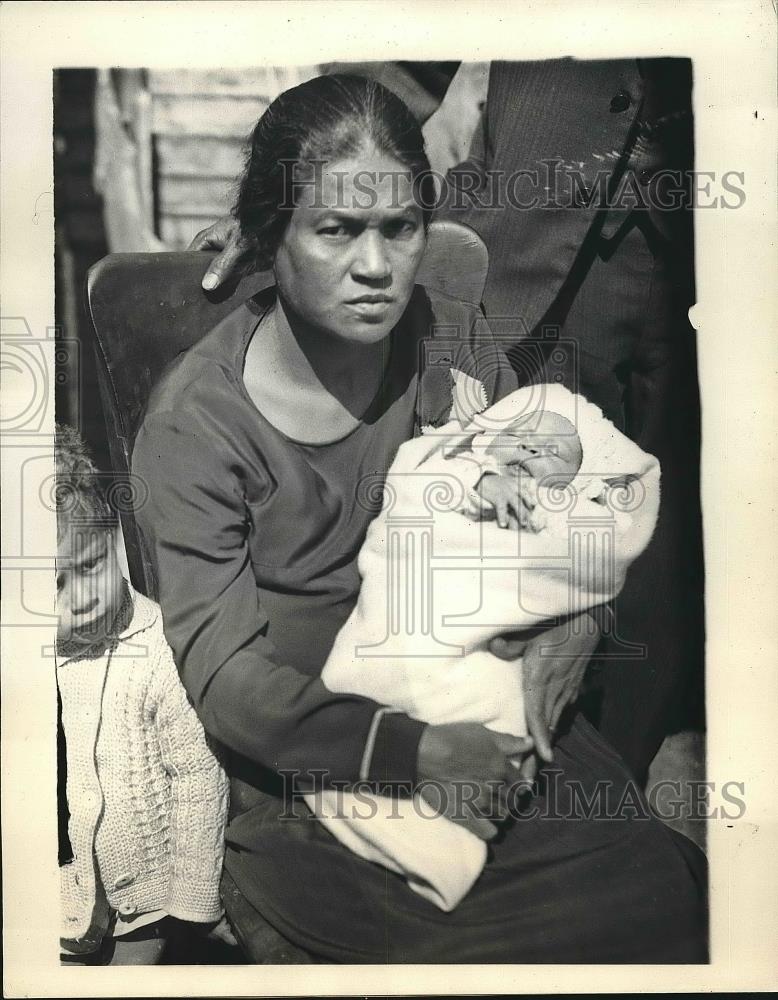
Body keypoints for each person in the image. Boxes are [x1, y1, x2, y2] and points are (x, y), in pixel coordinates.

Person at [133, 74, 707, 963]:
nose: (375, 266)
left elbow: (557, 507)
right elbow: (230, 680)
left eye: (399, 229)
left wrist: (581, 616)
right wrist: (416, 753)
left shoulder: (445, 336)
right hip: (318, 770)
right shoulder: (198, 426)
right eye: (335, 230)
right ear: (268, 234)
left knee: (661, 898)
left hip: (484, 702)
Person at [306, 384, 662, 914]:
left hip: (488, 665)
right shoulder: (463, 471)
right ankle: (370, 757)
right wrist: (478, 479)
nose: (530, 454)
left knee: (496, 729)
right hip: (411, 610)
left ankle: (432, 837)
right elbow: (416, 475)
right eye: (519, 439)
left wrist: (574, 583)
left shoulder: (568, 515)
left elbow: (594, 553)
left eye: (554, 454)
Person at [55, 424, 233, 965]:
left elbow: (199, 777)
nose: (81, 597)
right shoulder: (46, 656)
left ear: (112, 538)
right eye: (53, 585)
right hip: (82, 887)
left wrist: (195, 904)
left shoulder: (157, 650)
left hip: (153, 895)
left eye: (91, 566)